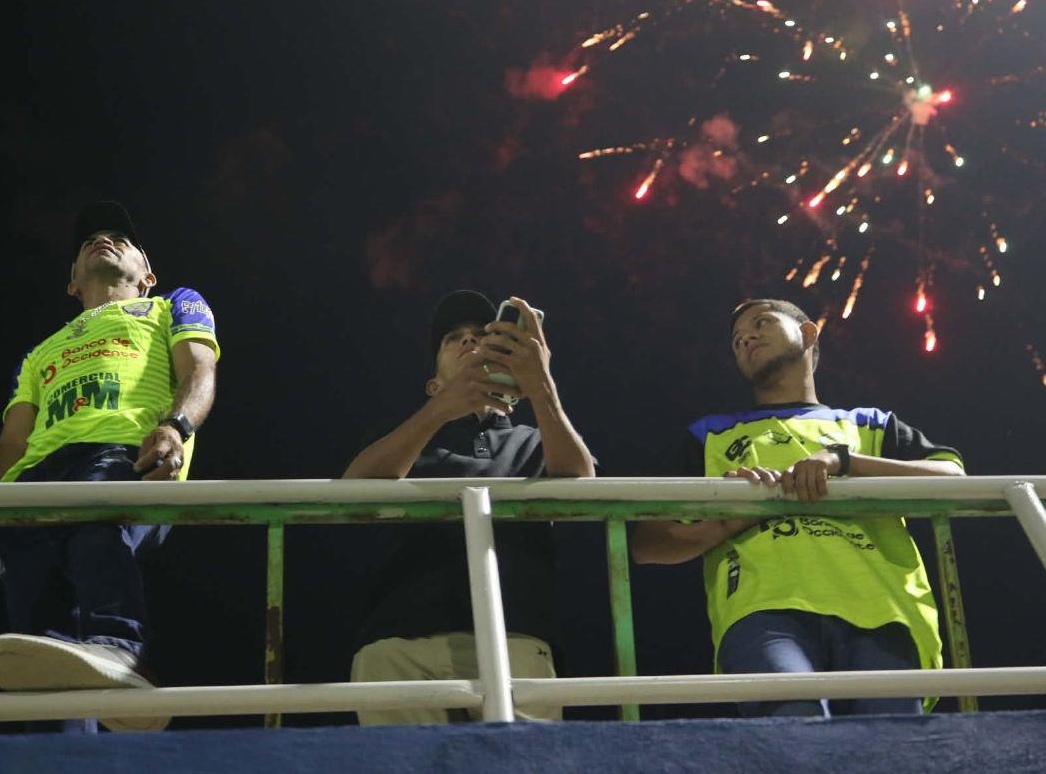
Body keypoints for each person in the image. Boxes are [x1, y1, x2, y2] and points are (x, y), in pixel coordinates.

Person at [0, 200, 219, 733]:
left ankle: (120, 647)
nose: (104, 238)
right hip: (39, 476)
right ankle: (64, 734)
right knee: (34, 600)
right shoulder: (40, 353)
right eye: (89, 239)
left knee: (98, 530)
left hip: (124, 455)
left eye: (121, 236)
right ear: (72, 282)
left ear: (148, 274)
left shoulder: (171, 306)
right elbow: (11, 441)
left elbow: (199, 368)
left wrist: (176, 428)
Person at [631, 298, 964, 718]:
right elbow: (647, 544)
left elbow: (954, 481)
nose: (745, 338)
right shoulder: (708, 436)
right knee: (794, 732)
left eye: (761, 323)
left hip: (883, 612)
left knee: (888, 749)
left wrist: (843, 461)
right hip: (763, 612)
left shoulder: (871, 426)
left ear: (808, 333)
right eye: (736, 340)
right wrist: (732, 518)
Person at [343, 290, 596, 725]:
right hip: (401, 636)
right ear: (433, 383)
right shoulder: (403, 438)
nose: (468, 342)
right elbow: (352, 494)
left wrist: (541, 385)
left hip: (516, 632)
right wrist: (441, 408)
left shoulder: (534, 440)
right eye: (452, 338)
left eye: (482, 334)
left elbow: (583, 486)